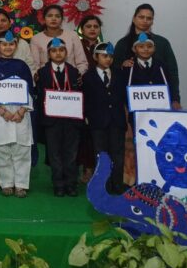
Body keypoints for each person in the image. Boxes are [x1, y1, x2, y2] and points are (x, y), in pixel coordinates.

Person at [0, 31, 34, 198]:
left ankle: (21, 185)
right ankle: (6, 183)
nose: (8, 47)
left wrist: (22, 111)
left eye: (11, 44)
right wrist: (1, 110)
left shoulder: (22, 66)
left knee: (21, 151)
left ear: (16, 46)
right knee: (1, 151)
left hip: (20, 114)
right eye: (4, 44)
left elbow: (30, 90)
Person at [36, 37, 82, 197]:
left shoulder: (74, 72)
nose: (58, 53)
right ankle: (58, 184)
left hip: (71, 120)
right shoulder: (42, 73)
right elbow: (39, 96)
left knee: (71, 153)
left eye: (61, 50)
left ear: (66, 52)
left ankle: (71, 183)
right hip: (52, 121)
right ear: (48, 54)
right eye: (54, 51)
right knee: (54, 154)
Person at [114, 4, 180, 110]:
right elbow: (114, 73)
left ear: (152, 21)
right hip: (132, 105)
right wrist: (122, 66)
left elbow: (172, 73)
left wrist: (175, 99)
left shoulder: (162, 43)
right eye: (141, 17)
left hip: (160, 104)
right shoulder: (122, 44)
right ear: (134, 19)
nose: (145, 21)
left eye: (149, 18)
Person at [82, 42, 127, 195]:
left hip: (117, 121)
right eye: (104, 56)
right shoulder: (87, 77)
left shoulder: (120, 75)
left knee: (118, 155)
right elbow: (86, 100)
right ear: (95, 57)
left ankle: (117, 185)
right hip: (97, 122)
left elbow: (125, 97)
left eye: (111, 56)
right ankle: (103, 186)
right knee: (101, 156)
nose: (108, 59)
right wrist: (87, 117)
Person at [126, 33, 178, 123]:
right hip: (136, 117)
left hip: (160, 116)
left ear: (154, 48)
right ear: (134, 49)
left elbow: (171, 84)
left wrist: (175, 100)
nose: (146, 49)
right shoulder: (128, 68)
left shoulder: (162, 65)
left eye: (149, 46)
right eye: (141, 46)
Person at [77, 15, 104, 183]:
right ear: (82, 29)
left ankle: (101, 168)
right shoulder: (77, 46)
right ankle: (87, 168)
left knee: (99, 133)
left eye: (96, 26)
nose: (92, 29)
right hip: (81, 94)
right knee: (84, 134)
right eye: (88, 26)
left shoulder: (104, 47)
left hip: (100, 96)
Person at [30, 4, 88, 76]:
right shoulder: (36, 39)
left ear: (62, 19)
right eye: (50, 16)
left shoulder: (73, 35)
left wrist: (78, 75)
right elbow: (35, 65)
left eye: (57, 16)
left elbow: (82, 62)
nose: (53, 19)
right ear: (44, 19)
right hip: (46, 78)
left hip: (71, 78)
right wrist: (39, 77)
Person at [0, 9, 37, 77]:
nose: (0, 23)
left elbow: (31, 68)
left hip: (19, 82)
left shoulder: (22, 44)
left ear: (10, 23)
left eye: (3, 20)